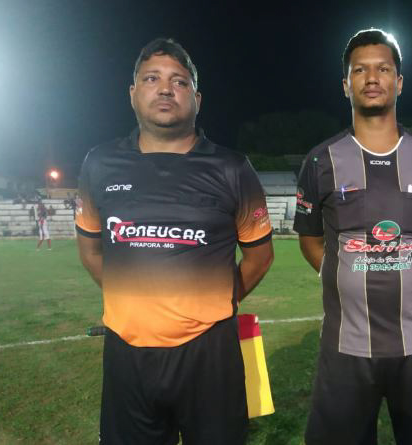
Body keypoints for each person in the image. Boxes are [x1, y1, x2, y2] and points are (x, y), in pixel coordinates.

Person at [75, 38, 274, 445]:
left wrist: (211, 304)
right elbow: (91, 250)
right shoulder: (100, 163)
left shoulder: (232, 168)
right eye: (152, 79)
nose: (166, 89)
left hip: (210, 353)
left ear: (196, 99)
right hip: (126, 351)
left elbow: (260, 257)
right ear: (133, 93)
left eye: (179, 81)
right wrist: (135, 300)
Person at [294, 29, 412, 445]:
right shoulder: (320, 160)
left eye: (383, 69)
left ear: (399, 82)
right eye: (360, 70)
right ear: (345, 84)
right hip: (345, 348)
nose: (372, 78)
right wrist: (350, 270)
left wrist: (407, 266)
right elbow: (311, 240)